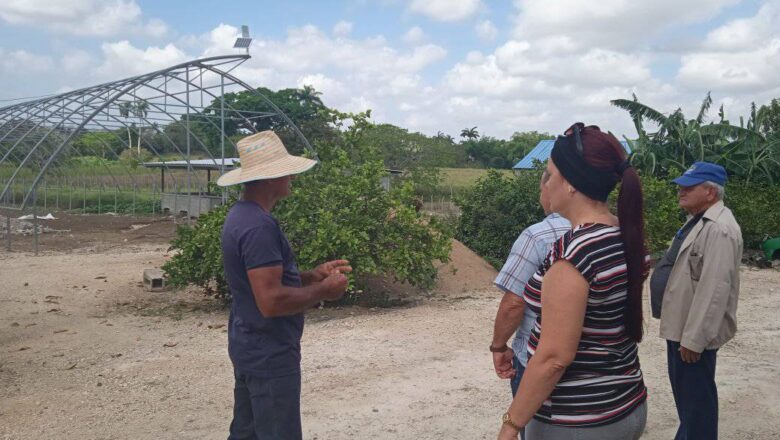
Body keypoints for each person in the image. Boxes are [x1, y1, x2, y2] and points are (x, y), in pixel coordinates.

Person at [497, 123, 648, 440]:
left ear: (570, 185)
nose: (546, 184)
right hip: (627, 402)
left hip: (577, 421)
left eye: (550, 175)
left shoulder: (573, 255)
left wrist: (511, 425)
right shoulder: (624, 235)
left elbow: (553, 359)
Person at [217, 131, 352, 440]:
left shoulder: (241, 216)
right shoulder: (259, 226)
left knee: (247, 433)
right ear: (269, 179)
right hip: (269, 353)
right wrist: (325, 291)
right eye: (285, 170)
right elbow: (271, 301)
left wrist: (310, 276)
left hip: (249, 345)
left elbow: (259, 284)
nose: (291, 176)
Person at [649, 162, 742, 440]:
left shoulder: (720, 229)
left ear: (710, 192)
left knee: (697, 400)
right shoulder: (698, 220)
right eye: (681, 185)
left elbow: (715, 289)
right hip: (681, 325)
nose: (681, 191)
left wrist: (695, 339)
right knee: (689, 399)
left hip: (692, 332)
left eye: (689, 187)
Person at [490, 170, 570, 440]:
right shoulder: (614, 230)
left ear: (550, 190)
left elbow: (514, 302)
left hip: (539, 357)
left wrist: (498, 346)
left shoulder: (537, 236)